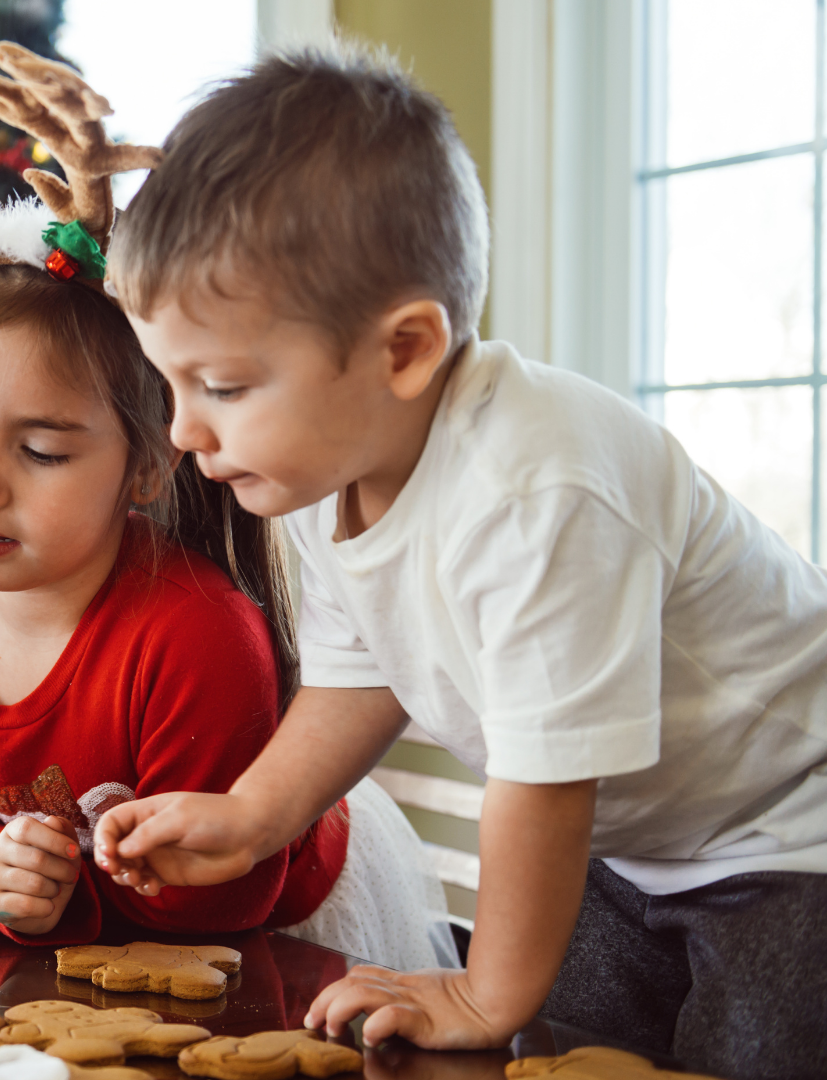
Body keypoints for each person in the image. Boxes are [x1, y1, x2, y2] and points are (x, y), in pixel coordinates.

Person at [93, 44, 827, 1079]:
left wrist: (485, 987)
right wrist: (251, 818)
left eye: (222, 384)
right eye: (172, 384)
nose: (182, 432)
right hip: (634, 852)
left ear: (403, 350)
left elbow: (547, 779)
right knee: (562, 1056)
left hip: (790, 833)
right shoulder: (321, 473)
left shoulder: (541, 489)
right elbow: (361, 676)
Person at [0, 261, 452, 970]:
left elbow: (219, 901)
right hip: (89, 957)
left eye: (42, 451)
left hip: (271, 947)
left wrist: (63, 896)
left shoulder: (199, 637)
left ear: (147, 464)